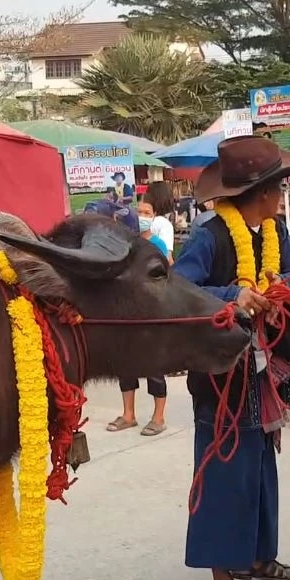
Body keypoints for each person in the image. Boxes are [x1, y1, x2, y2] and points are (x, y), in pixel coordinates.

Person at [172, 135, 290, 580]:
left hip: (265, 374)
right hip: (221, 380)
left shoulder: (276, 233)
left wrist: (280, 288)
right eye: (278, 188)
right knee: (221, 472)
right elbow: (179, 290)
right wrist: (234, 295)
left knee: (258, 469)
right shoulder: (209, 237)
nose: (283, 196)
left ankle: (255, 557)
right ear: (262, 192)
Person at [108, 183, 174, 437]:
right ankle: (129, 414)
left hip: (152, 312)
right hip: (127, 312)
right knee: (126, 365)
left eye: (147, 212)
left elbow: (167, 271)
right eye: (140, 212)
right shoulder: (126, 243)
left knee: (153, 365)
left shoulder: (157, 243)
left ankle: (158, 418)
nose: (143, 216)